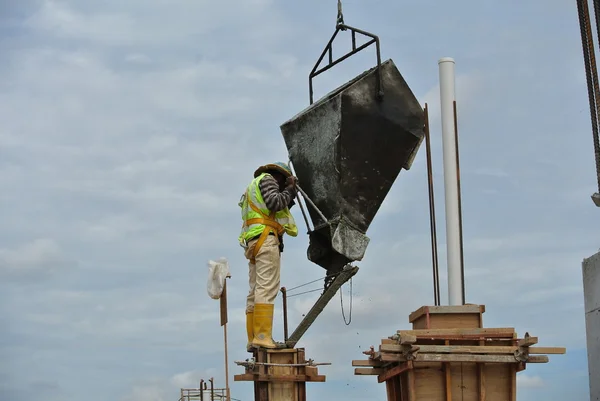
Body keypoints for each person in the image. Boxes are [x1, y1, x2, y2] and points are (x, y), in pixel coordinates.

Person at [238, 162, 299, 350]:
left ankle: (253, 338)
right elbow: (276, 202)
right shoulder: (268, 180)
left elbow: (273, 207)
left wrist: (290, 194)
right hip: (265, 239)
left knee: (255, 290)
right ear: (281, 176)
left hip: (254, 240)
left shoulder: (253, 188)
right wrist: (290, 188)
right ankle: (263, 337)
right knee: (267, 288)